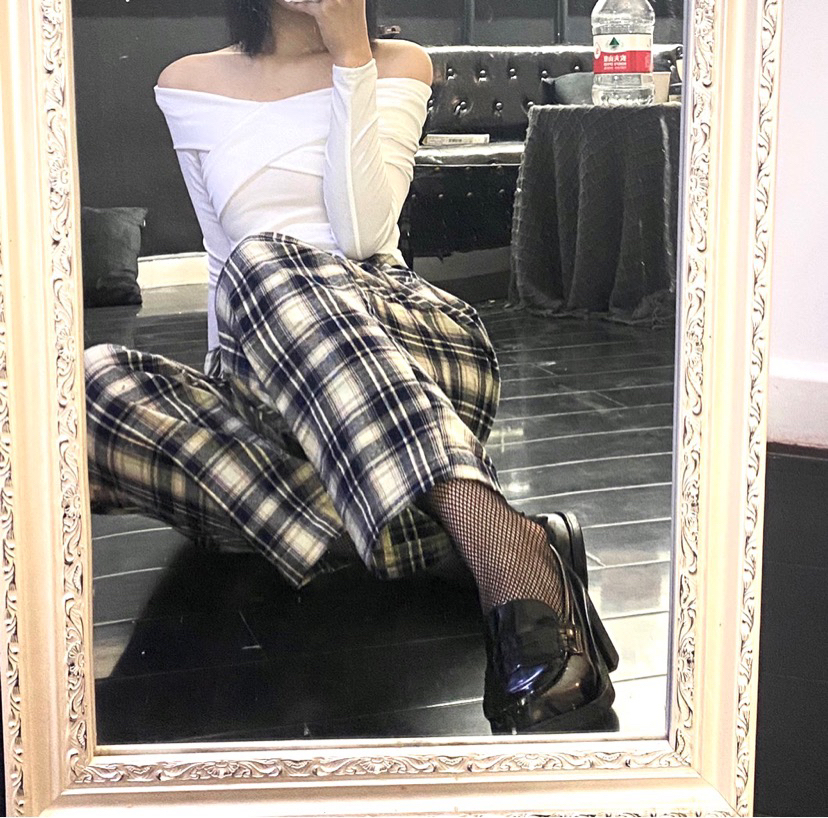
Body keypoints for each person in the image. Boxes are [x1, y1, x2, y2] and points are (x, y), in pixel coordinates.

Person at [84, 0, 618, 734]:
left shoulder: (399, 64)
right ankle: (454, 541)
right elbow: (217, 258)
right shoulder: (187, 81)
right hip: (279, 372)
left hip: (410, 349)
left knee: (263, 260)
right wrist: (236, 397)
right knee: (94, 384)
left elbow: (362, 233)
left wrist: (350, 58)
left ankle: (504, 552)